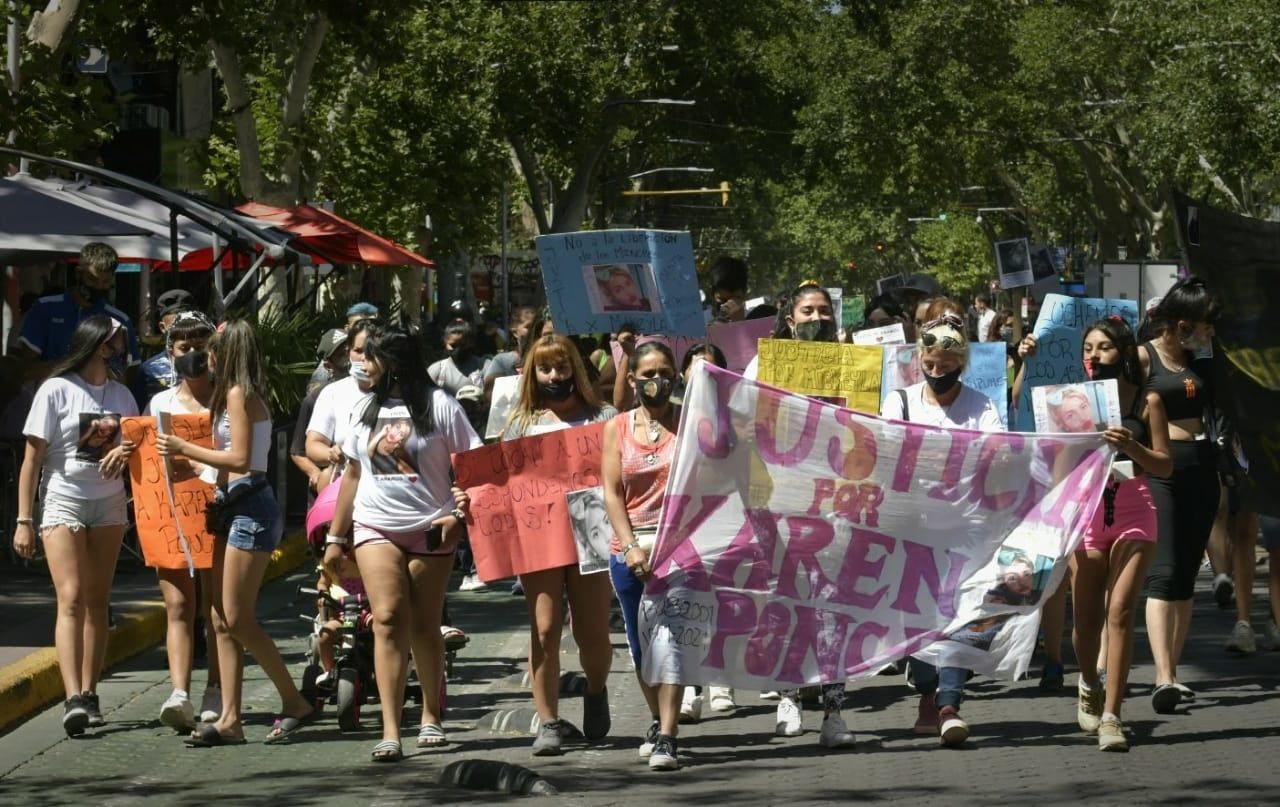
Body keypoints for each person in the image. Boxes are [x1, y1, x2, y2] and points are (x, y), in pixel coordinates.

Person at [323, 323, 481, 762]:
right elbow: (352, 474)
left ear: (393, 363)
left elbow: (471, 464)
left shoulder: (442, 406)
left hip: (432, 528)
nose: (362, 364)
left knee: (424, 625)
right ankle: (390, 729)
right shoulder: (363, 410)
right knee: (388, 619)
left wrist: (459, 513)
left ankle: (431, 715)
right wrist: (336, 537)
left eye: (369, 357)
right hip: (375, 527)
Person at [156, 320, 315, 746]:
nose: (202, 357)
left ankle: (293, 700)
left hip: (250, 509)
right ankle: (230, 718)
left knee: (238, 617)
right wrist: (198, 467)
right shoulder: (233, 397)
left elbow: (243, 457)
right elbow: (233, 459)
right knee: (220, 617)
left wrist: (184, 448)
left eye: (209, 350)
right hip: (232, 506)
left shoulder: (237, 394)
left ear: (221, 355)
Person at [1028, 317, 1172, 750]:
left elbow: (1164, 465)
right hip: (1087, 511)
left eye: (1104, 347)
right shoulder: (1067, 402)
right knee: (1086, 617)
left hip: (1134, 509)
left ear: (1124, 352)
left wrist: (1132, 446)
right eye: (1088, 348)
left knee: (1122, 612)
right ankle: (1088, 679)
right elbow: (1056, 470)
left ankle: (1113, 716)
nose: (1093, 355)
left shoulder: (1148, 400)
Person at [881, 312, 1004, 747]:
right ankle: (928, 694)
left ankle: (950, 702)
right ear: (920, 361)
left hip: (965, 528)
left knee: (965, 612)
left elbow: (994, 453)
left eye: (947, 365)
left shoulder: (982, 406)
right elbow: (891, 448)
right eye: (930, 364)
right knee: (917, 615)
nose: (938, 372)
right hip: (913, 528)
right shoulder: (900, 401)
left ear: (962, 364)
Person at [743, 282, 856, 749]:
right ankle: (787, 696)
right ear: (790, 319)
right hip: (778, 500)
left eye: (824, 311)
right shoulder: (763, 365)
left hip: (836, 502)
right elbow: (742, 418)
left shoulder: (853, 365)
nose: (817, 318)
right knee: (782, 601)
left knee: (834, 605)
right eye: (808, 311)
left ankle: (834, 711)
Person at [14, 315, 138, 736]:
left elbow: (136, 450)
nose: (123, 346)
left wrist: (126, 454)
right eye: (117, 340)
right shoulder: (55, 389)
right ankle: (72, 698)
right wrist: (24, 519)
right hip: (63, 500)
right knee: (70, 597)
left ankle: (90, 692)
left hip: (109, 504)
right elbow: (32, 459)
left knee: (98, 599)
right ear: (99, 345)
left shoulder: (122, 395)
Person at [502, 334, 617, 756]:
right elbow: (495, 483)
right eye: (546, 369)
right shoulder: (518, 424)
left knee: (591, 633)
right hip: (539, 533)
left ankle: (597, 688)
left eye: (563, 367)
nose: (555, 375)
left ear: (577, 370)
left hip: (591, 527)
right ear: (533, 374)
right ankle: (548, 721)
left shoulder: (604, 417)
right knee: (545, 628)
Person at [1137, 277, 1221, 713]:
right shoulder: (1142, 357)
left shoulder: (1202, 361)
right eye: (1205, 325)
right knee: (1164, 571)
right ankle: (1162, 676)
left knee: (1188, 573)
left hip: (1202, 466)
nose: (1209, 333)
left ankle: (1175, 670)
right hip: (1160, 472)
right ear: (1182, 323)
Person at [602, 341, 685, 769]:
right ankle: (656, 718)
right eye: (648, 374)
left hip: (678, 551)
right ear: (631, 379)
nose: (657, 381)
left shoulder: (690, 422)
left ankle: (669, 735)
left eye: (664, 372)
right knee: (641, 646)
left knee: (670, 641)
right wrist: (630, 545)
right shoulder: (616, 427)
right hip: (629, 550)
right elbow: (613, 494)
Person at [142, 310, 224, 731]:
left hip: (218, 514)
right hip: (171, 516)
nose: (192, 355)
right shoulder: (160, 404)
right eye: (183, 348)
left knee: (213, 608)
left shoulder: (227, 400)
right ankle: (179, 692)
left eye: (199, 347)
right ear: (171, 353)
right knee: (178, 604)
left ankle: (215, 687)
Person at [17, 243, 139, 377]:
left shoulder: (120, 320)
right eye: (92, 279)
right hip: (53, 393)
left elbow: (129, 375)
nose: (98, 287)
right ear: (78, 273)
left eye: (106, 282)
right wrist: (74, 365)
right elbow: (25, 368)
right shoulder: (45, 308)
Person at [305, 319, 377, 495]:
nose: (363, 358)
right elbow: (313, 444)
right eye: (357, 351)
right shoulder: (333, 393)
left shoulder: (396, 393)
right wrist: (331, 453)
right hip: (345, 495)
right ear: (349, 351)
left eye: (370, 351)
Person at [290, 329, 349, 498]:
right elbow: (297, 451)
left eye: (348, 350)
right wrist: (317, 474)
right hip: (327, 493)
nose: (347, 360)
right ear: (328, 364)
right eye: (340, 355)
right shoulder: (316, 399)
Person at [135, 288, 196, 405]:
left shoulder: (207, 362)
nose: (182, 330)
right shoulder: (149, 370)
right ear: (163, 327)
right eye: (175, 325)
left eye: (187, 323)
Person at [307, 302, 379, 392]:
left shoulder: (381, 355)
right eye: (359, 325)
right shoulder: (328, 368)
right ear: (347, 329)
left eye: (372, 325)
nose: (366, 330)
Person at [708, 255, 749, 322]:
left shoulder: (756, 319)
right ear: (712, 293)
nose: (728, 305)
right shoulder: (701, 322)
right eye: (722, 300)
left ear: (744, 293)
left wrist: (740, 323)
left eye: (735, 299)